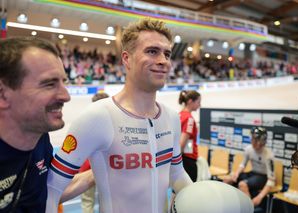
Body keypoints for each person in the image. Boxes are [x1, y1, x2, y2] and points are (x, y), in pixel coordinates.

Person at [46, 18, 192, 213]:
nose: (163, 60)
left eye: (167, 54)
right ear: (126, 58)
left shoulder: (171, 118)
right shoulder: (97, 117)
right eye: (152, 51)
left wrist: (202, 196)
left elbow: (176, 172)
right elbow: (52, 189)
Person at [0, 37, 94, 212]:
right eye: (49, 84)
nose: (66, 96)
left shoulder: (39, 137)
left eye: (63, 82)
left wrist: (102, 170)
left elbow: (48, 189)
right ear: (3, 94)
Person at [223, 126, 275, 207]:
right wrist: (236, 174)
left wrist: (259, 197)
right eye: (252, 139)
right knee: (227, 179)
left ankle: (249, 208)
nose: (251, 141)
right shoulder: (248, 149)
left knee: (242, 184)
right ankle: (228, 205)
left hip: (263, 177)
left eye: (254, 139)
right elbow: (243, 165)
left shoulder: (268, 155)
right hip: (253, 173)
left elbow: (271, 180)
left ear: (261, 141)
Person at [80, 92, 109, 213]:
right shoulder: (112, 123)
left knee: (87, 202)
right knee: (108, 201)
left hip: (86, 169)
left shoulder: (84, 123)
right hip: (107, 170)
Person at [178, 90, 201, 182]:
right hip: (187, 159)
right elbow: (182, 144)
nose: (200, 105)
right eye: (198, 102)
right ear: (190, 101)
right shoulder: (189, 119)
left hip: (181, 159)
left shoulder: (179, 114)